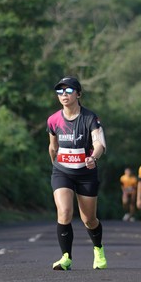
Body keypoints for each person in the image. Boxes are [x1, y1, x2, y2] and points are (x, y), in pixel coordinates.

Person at [47, 76, 107, 270]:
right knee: (64, 212)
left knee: (89, 219)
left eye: (69, 90)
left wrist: (93, 158)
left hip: (86, 173)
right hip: (62, 172)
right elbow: (53, 147)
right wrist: (56, 166)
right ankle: (66, 258)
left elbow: (99, 143)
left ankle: (98, 249)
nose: (63, 94)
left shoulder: (90, 118)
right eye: (60, 91)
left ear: (78, 94)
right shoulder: (53, 120)